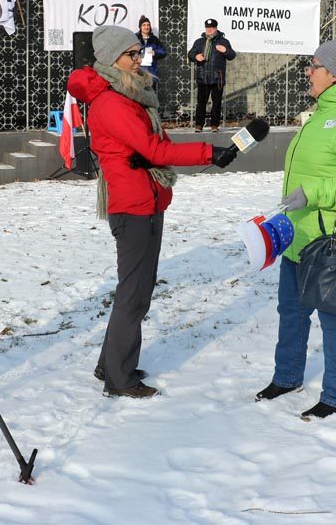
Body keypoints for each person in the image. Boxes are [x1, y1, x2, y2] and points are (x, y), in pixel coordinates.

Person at [67, 25, 238, 398]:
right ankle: (120, 379)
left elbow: (157, 144)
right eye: (131, 54)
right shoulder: (113, 103)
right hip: (133, 207)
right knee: (134, 294)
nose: (139, 59)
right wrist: (209, 152)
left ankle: (109, 364)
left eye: (139, 52)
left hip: (147, 199)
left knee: (135, 291)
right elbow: (155, 152)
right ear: (113, 59)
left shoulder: (129, 95)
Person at [255, 39, 336, 420]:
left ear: (335, 73)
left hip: (335, 243)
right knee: (291, 313)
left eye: (314, 66)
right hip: (300, 238)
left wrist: (311, 192)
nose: (308, 72)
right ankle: (287, 377)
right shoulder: (322, 113)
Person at [187, 18, 236, 132]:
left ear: (216, 28)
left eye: (212, 28)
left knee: (217, 103)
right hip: (203, 76)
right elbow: (190, 54)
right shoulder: (199, 42)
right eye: (208, 28)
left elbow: (232, 55)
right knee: (201, 103)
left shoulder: (223, 41)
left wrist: (225, 50)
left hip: (217, 77)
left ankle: (214, 125)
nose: (209, 30)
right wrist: (195, 57)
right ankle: (199, 124)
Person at [135, 15, 167, 88]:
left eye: (148, 25)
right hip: (138, 71)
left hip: (151, 72)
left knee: (151, 95)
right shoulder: (134, 38)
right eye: (144, 25)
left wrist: (155, 53)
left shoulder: (154, 39)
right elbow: (128, 51)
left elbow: (163, 52)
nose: (146, 27)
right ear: (140, 27)